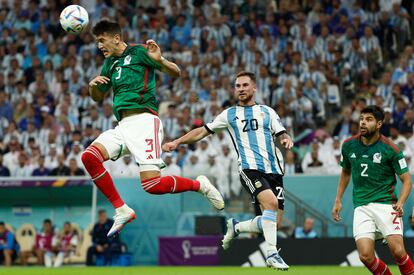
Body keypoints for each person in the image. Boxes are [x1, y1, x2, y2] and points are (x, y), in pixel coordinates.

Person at [81, 20, 224, 237]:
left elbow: (176, 72)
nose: (99, 46)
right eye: (97, 42)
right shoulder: (109, 64)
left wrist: (161, 60)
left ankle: (200, 185)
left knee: (152, 185)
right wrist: (93, 88)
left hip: (145, 122)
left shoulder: (139, 52)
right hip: (122, 125)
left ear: (116, 38)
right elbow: (98, 98)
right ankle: (121, 209)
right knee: (89, 157)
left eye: (102, 40)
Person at [163, 71, 293, 270]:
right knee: (271, 204)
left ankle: (236, 226)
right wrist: (177, 141)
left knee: (274, 223)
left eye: (245, 85)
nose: (241, 89)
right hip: (250, 169)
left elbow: (281, 131)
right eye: (237, 86)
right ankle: (272, 254)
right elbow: (202, 131)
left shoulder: (267, 111)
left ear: (254, 87)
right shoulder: (229, 114)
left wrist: (285, 138)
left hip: (274, 170)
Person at [332, 105, 414, 275]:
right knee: (365, 256)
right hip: (361, 206)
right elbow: (346, 172)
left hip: (386, 204)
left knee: (398, 251)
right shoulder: (348, 145)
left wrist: (400, 202)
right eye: (361, 119)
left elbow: (407, 181)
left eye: (368, 120)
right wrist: (338, 199)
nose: (363, 123)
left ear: (378, 124)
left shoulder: (391, 148)